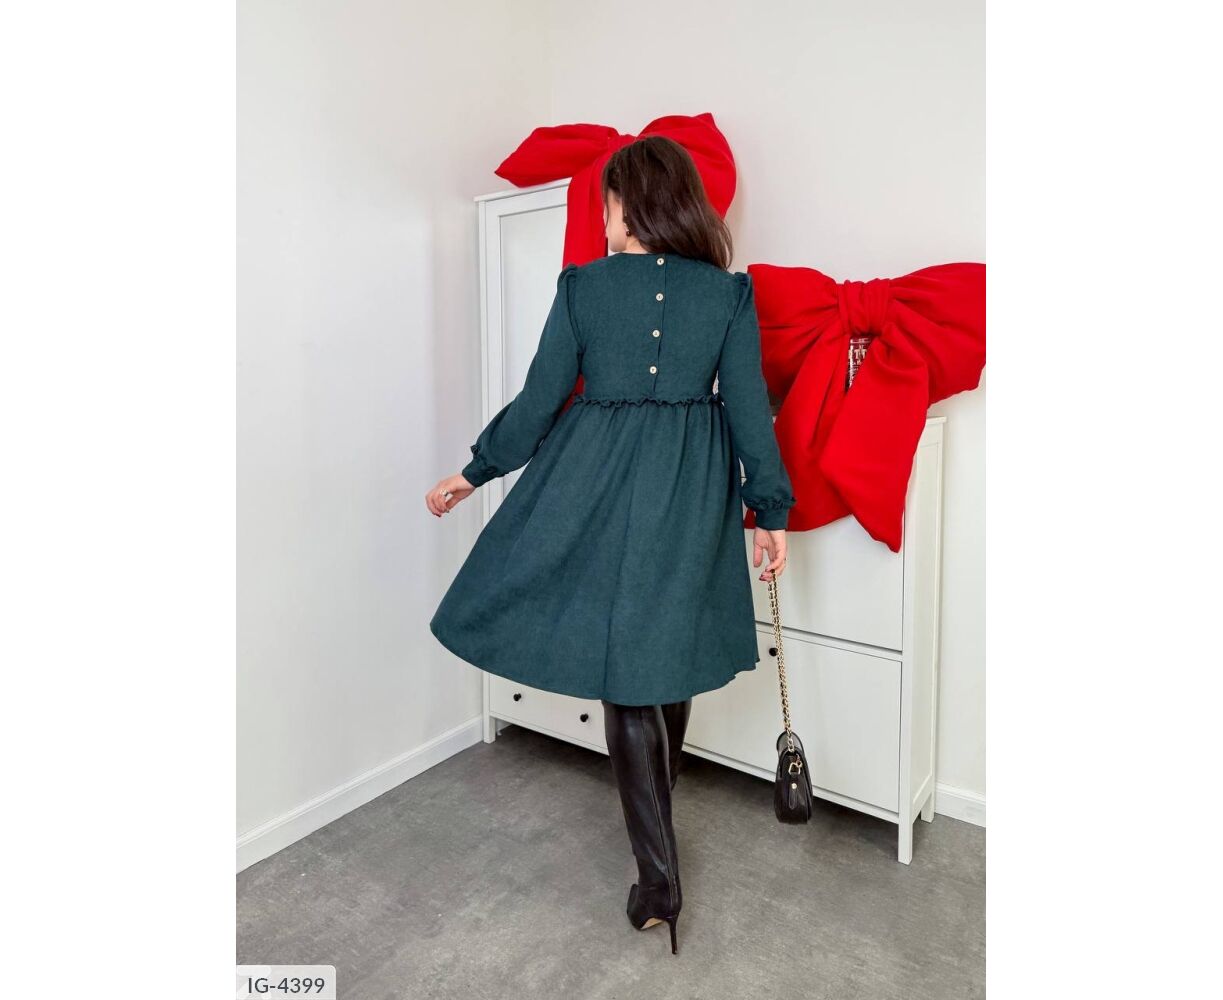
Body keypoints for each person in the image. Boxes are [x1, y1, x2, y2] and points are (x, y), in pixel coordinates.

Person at [426, 136, 795, 955]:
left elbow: (540, 401)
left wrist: (476, 471)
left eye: (606, 202)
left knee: (629, 673)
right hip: (692, 487)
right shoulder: (728, 294)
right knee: (663, 656)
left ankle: (658, 880)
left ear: (629, 207)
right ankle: (657, 819)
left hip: (593, 480)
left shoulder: (583, 286)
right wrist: (768, 511)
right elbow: (747, 409)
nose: (601, 218)